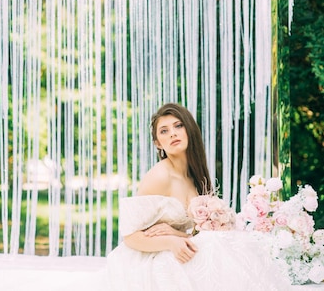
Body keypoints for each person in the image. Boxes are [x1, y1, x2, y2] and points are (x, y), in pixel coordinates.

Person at [101, 102, 291, 290]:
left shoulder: (194, 176)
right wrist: (170, 241)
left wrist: (176, 234)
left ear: (189, 129)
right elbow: (130, 237)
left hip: (180, 249)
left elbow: (197, 233)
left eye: (178, 125)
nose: (173, 133)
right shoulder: (160, 176)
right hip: (147, 258)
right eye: (164, 131)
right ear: (158, 143)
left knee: (226, 244)